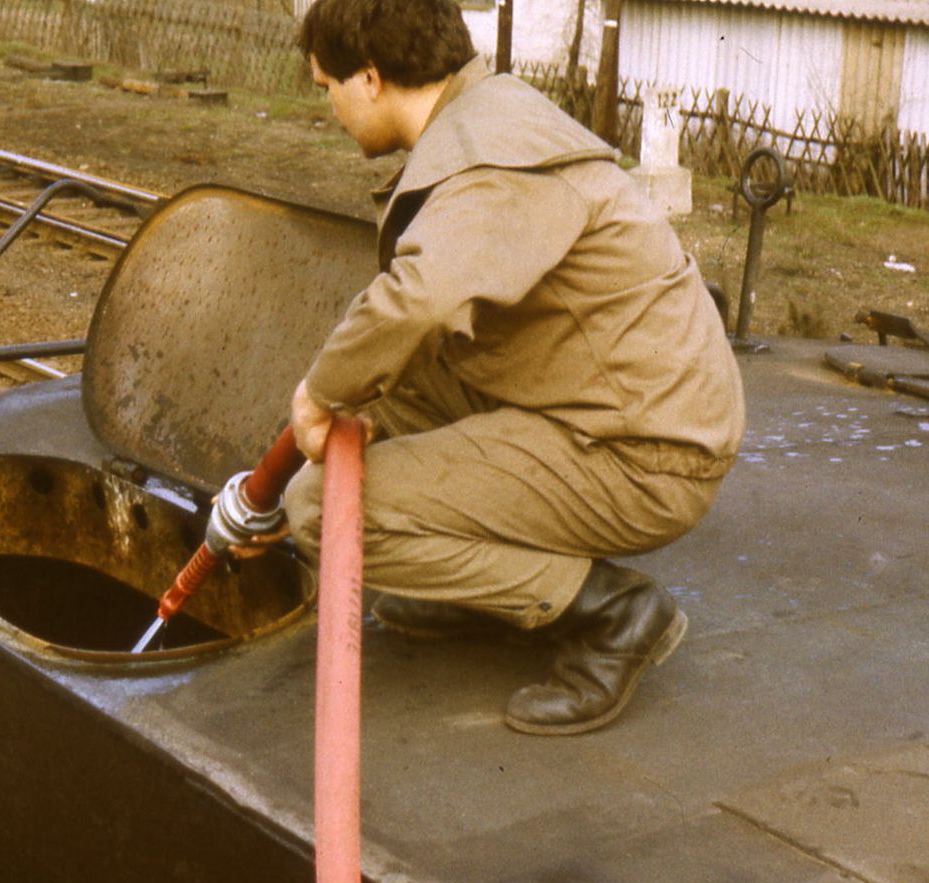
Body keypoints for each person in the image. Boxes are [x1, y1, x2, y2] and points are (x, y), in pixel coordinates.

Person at [275, 0, 744, 735]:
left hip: (643, 455)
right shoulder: (488, 113)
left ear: (368, 78)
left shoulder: (490, 157)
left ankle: (611, 613)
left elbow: (420, 301)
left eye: (324, 86)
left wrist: (318, 394)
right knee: (381, 397)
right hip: (611, 402)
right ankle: (474, 586)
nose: (327, 106)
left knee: (322, 510)